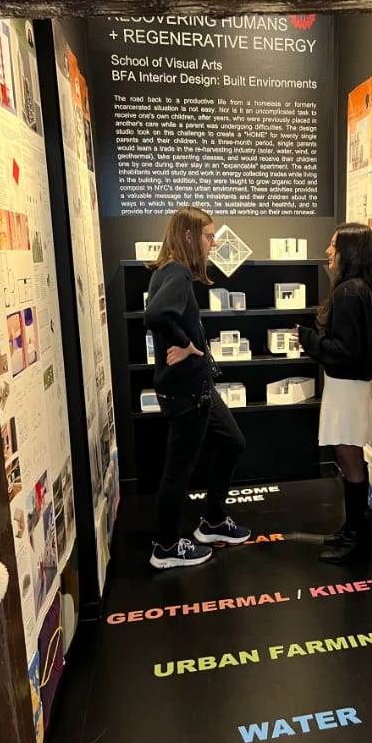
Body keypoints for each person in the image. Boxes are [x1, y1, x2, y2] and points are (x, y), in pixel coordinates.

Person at [143, 207, 250, 569]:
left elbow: (160, 316)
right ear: (189, 236)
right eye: (208, 235)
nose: (213, 242)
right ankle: (167, 547)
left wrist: (187, 344)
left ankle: (214, 523)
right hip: (187, 391)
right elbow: (156, 315)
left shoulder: (170, 271)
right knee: (178, 470)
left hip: (198, 387)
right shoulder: (175, 271)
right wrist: (187, 344)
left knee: (233, 441)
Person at [297, 223, 372, 564]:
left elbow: (344, 351)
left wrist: (308, 339)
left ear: (349, 250)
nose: (328, 251)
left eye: (334, 244)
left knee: (350, 461)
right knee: (349, 458)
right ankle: (354, 528)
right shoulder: (362, 289)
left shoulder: (349, 292)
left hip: (347, 389)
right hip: (351, 388)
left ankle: (356, 536)